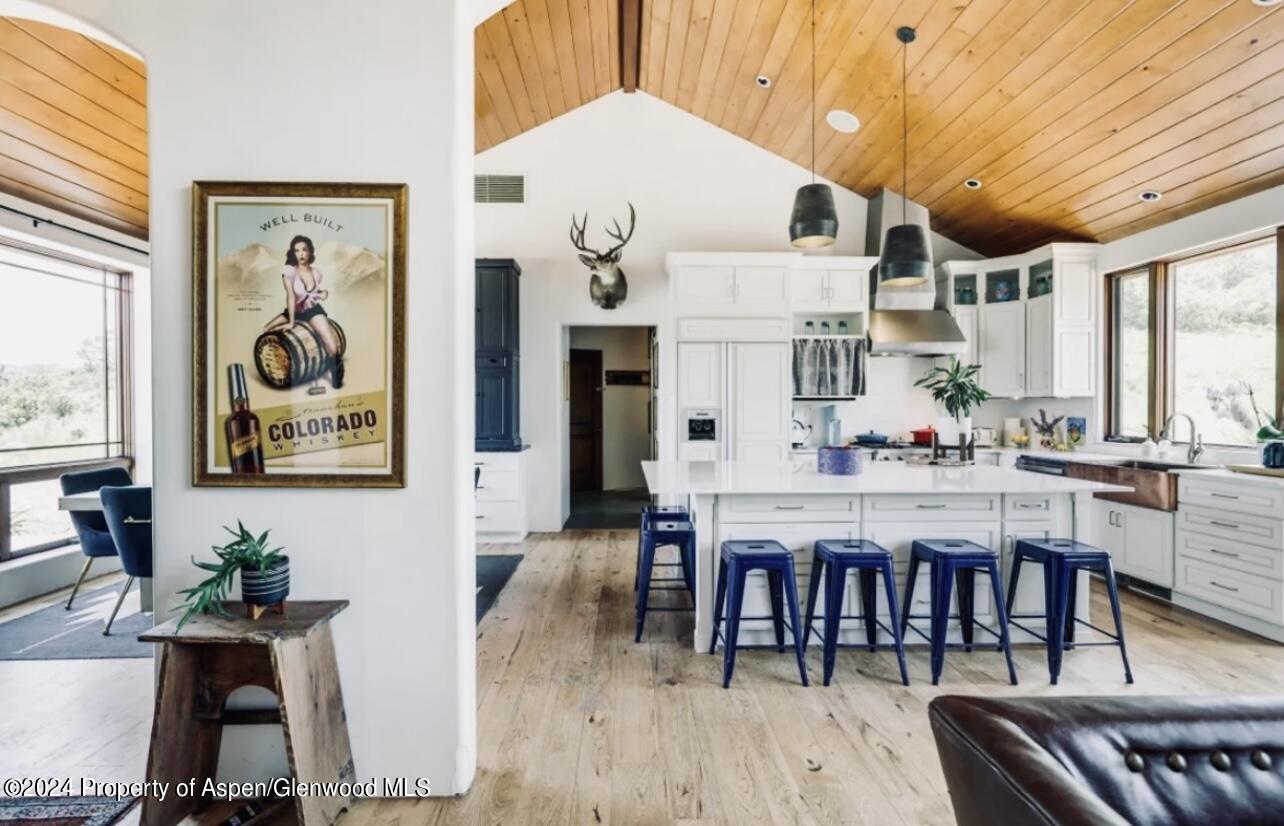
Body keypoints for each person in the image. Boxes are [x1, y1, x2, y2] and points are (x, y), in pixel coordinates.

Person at [263, 235, 343, 388]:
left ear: (310, 252)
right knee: (267, 330)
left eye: (304, 250)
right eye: (297, 250)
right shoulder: (289, 272)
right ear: (293, 253)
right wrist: (291, 322)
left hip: (312, 311)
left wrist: (323, 293)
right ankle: (278, 368)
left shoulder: (317, 273)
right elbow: (291, 297)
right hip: (294, 311)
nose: (301, 254)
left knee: (332, 346)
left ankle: (336, 374)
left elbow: (314, 293)